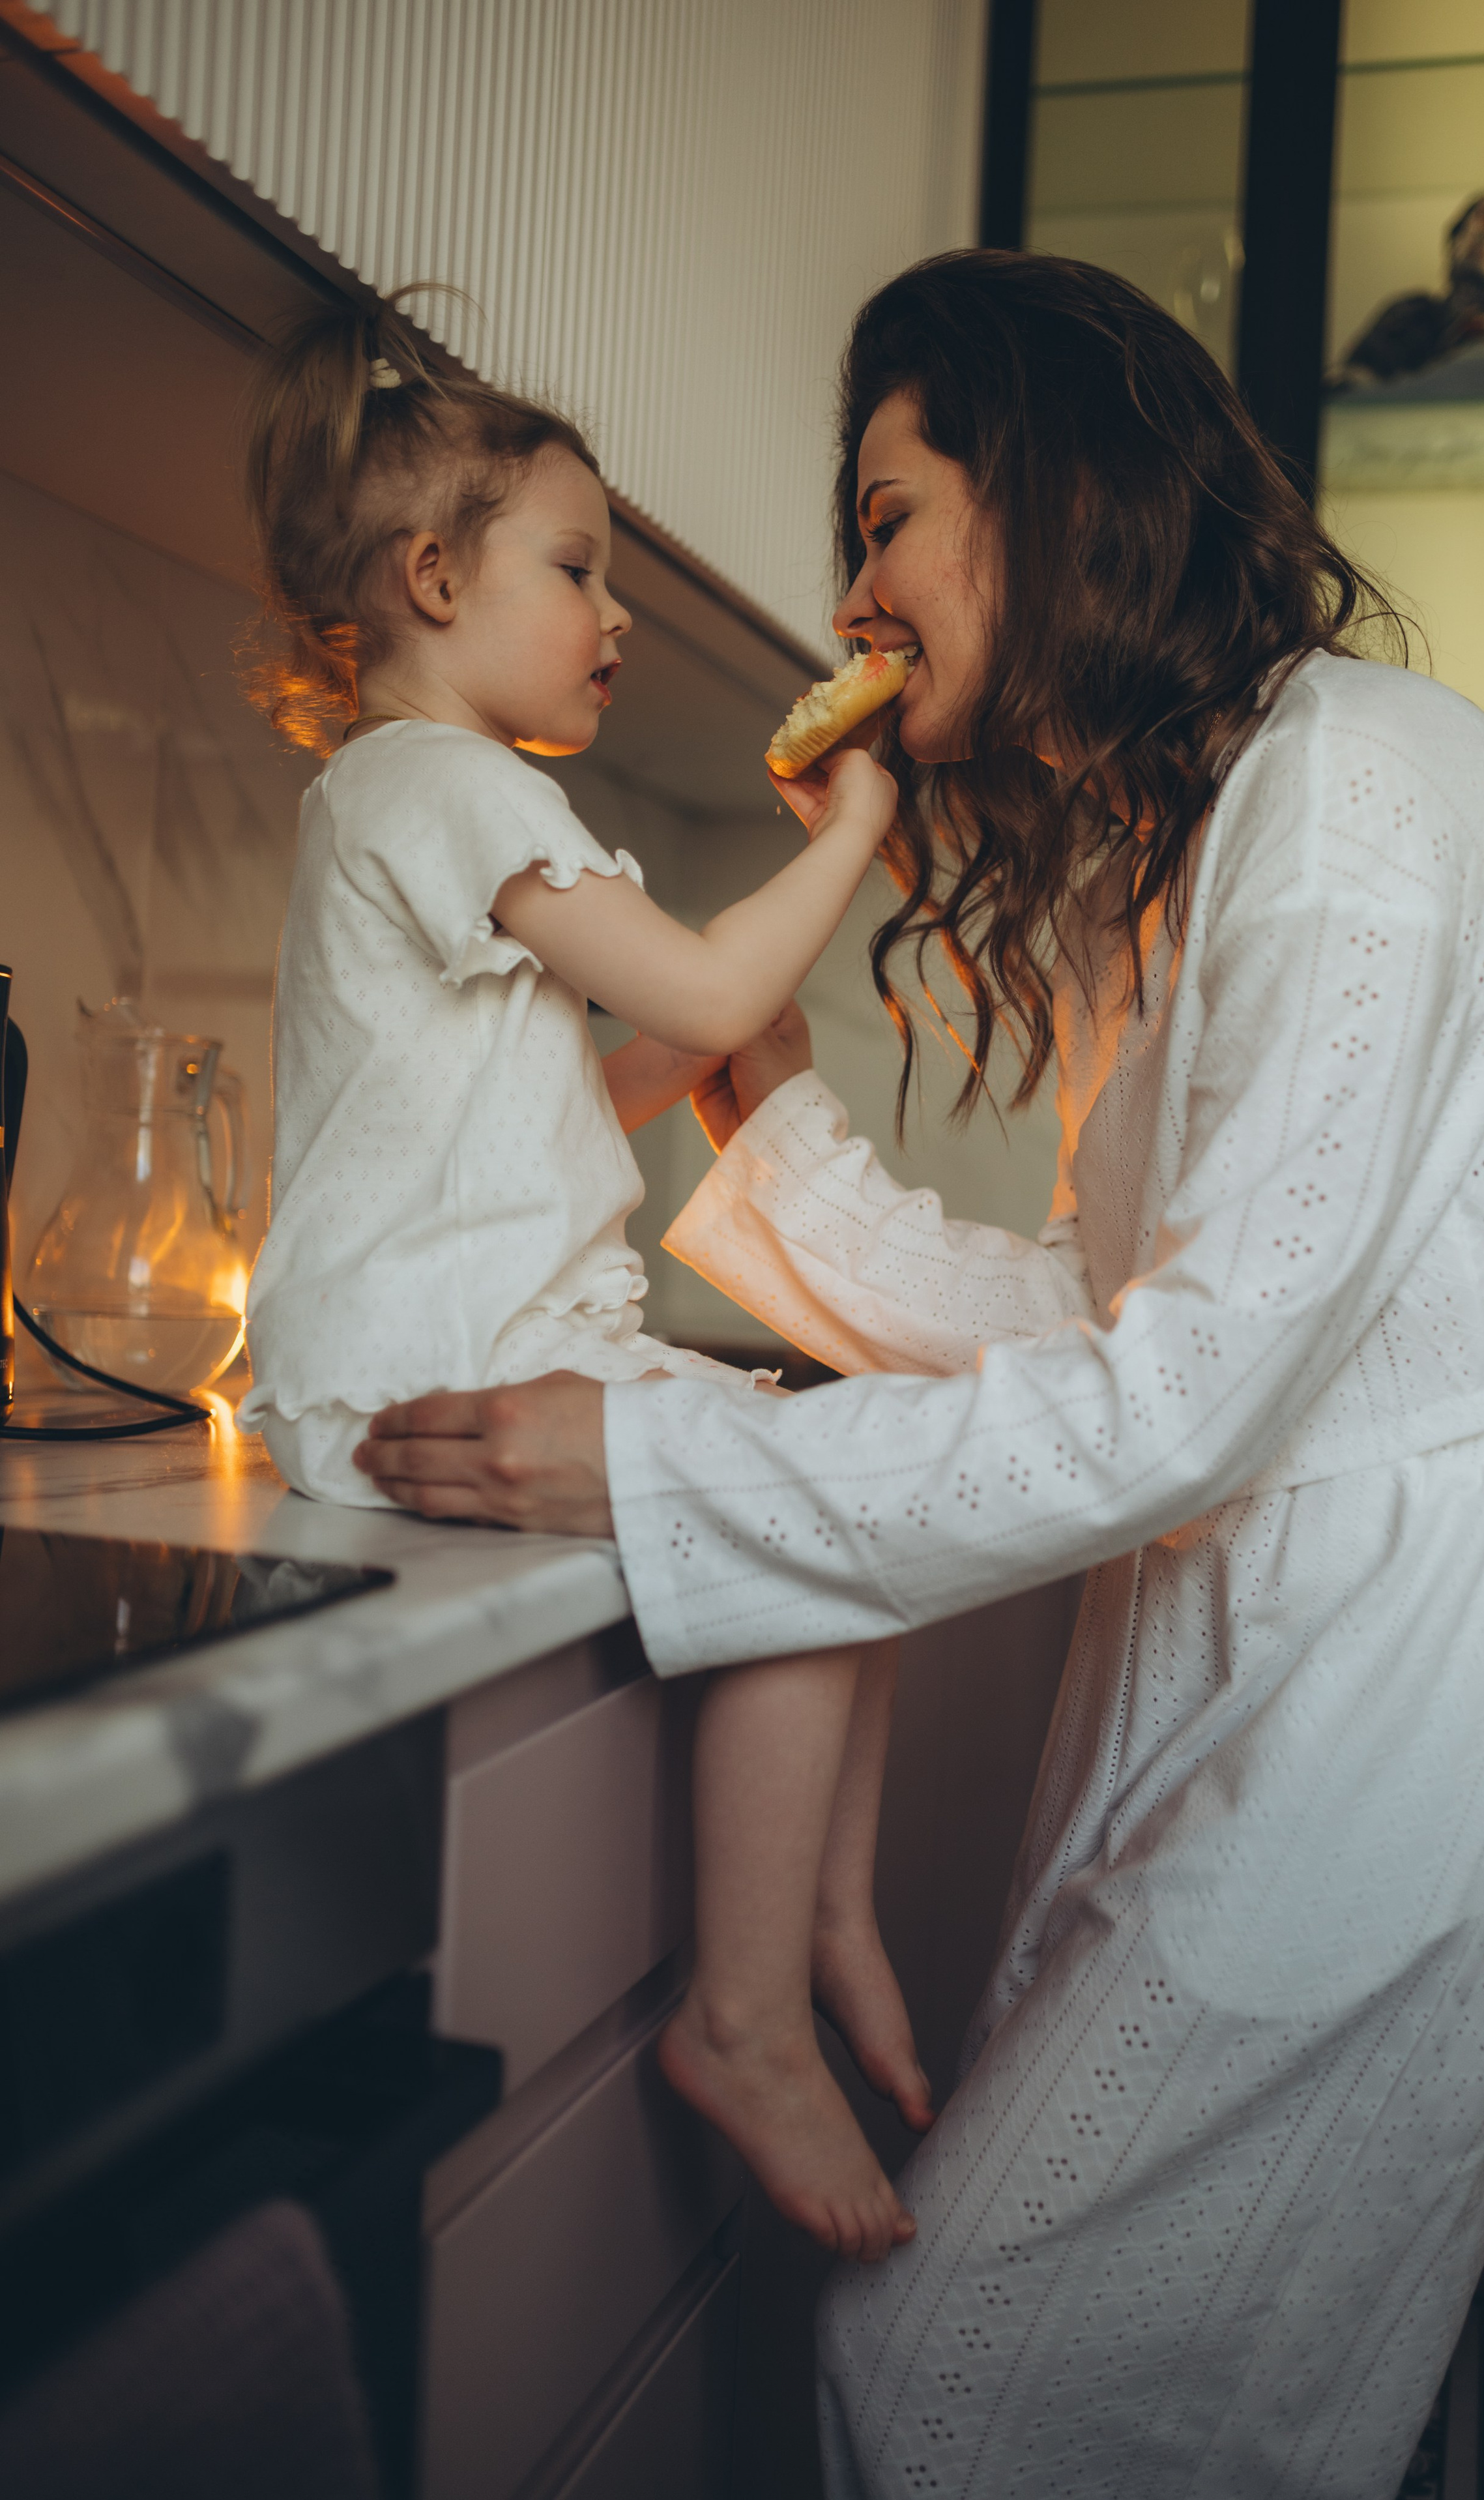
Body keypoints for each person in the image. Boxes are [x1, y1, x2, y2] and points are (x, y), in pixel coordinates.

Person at [355, 252, 1484, 2499]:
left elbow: (1185, 1396)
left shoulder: (1356, 799)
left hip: (1418, 1666)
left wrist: (655, 1473)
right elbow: (1103, 1325)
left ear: (1040, 487)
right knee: (1090, 2397)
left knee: (980, 2387)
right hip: (1300, 1617)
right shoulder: (1187, 858)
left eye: (885, 512)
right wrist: (765, 1114)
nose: (853, 586)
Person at [235, 302, 935, 2267]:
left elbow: (608, 1077)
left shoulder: (417, 798)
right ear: (433, 578)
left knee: (857, 1476)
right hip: (435, 1367)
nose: (613, 613)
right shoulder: (447, 783)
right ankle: (752, 2006)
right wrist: (862, 836)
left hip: (435, 1350)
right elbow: (704, 994)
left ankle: (812, 1924)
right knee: (841, 1492)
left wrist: (725, 1019)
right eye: (576, 567)